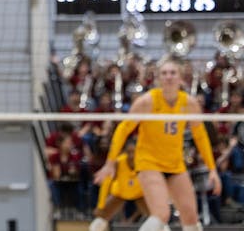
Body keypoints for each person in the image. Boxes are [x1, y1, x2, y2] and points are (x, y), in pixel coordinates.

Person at [94, 56, 221, 231]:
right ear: (158, 78)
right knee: (162, 214)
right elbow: (123, 130)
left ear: (180, 77)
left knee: (190, 217)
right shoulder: (147, 102)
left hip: (175, 164)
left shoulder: (189, 104)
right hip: (149, 163)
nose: (168, 76)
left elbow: (200, 137)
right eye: (164, 73)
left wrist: (212, 169)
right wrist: (109, 163)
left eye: (173, 73)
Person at [89, 139, 147, 231]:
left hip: (139, 193)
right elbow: (107, 183)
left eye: (133, 152)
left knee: (158, 216)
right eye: (129, 152)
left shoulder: (144, 162)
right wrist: (101, 204)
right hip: (120, 193)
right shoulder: (118, 163)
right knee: (101, 216)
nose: (131, 155)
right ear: (124, 152)